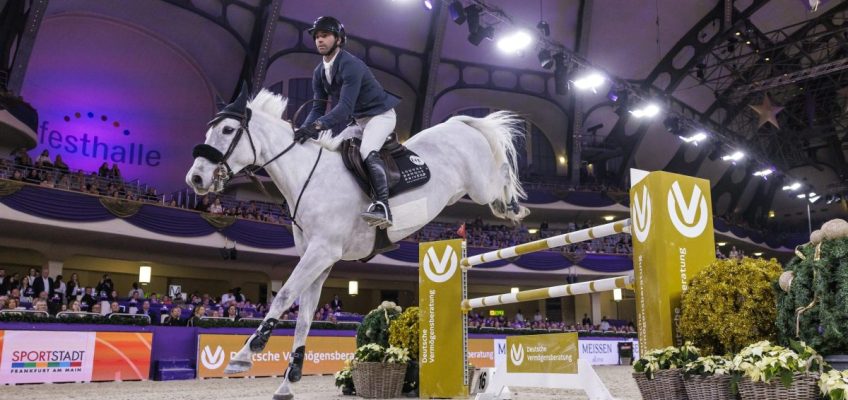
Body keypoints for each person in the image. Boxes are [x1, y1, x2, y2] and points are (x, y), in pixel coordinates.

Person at [295, 16, 401, 228]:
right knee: (333, 151)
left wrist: (315, 127)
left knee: (367, 150)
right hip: (359, 121)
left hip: (381, 116)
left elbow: (344, 108)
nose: (319, 40)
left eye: (325, 35)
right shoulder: (319, 72)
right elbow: (317, 108)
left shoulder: (351, 65)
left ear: (339, 40)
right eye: (316, 36)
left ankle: (382, 205)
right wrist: (303, 131)